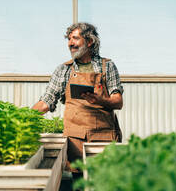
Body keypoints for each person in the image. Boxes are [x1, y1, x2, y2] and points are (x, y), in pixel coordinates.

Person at [32, 22, 123, 178]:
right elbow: (46, 101)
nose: (70, 43)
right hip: (76, 141)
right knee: (79, 184)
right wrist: (22, 117)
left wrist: (101, 101)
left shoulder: (107, 67)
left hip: (103, 139)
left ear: (89, 41)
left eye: (75, 38)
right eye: (69, 39)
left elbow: (118, 101)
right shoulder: (64, 70)